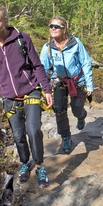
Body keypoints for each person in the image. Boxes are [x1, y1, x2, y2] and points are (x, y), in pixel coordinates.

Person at [0, 3, 53, 189]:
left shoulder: (22, 38)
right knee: (18, 136)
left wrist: (47, 89)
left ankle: (40, 166)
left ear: (5, 20)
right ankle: (25, 163)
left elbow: (36, 66)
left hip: (31, 91)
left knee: (33, 130)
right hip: (9, 98)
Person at [40, 16, 93, 154]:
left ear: (64, 29)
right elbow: (42, 69)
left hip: (78, 80)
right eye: (51, 26)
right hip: (59, 80)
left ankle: (81, 116)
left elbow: (86, 62)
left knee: (76, 108)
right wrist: (43, 88)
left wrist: (90, 85)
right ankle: (66, 137)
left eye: (57, 26)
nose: (53, 28)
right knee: (59, 109)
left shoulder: (75, 43)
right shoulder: (47, 47)